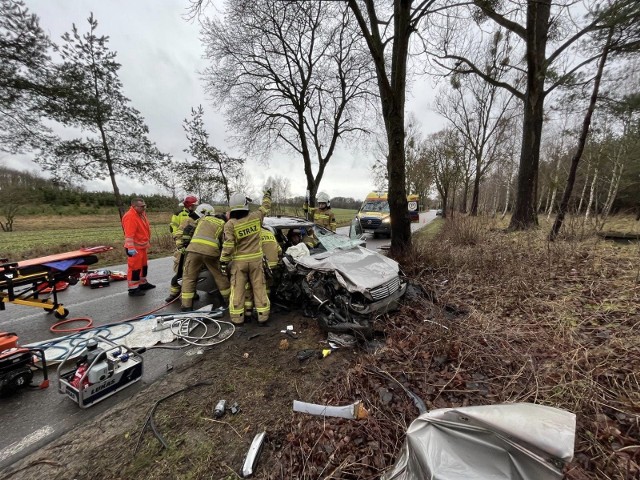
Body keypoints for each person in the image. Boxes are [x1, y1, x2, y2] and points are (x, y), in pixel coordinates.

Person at [220, 189, 271, 325]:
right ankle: (263, 316)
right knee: (259, 288)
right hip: (256, 261)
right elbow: (265, 207)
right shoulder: (256, 217)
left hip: (239, 263)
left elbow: (229, 245)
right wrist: (267, 195)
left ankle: (238, 319)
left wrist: (224, 261)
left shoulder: (230, 224)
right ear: (245, 205)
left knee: (237, 289)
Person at [180, 204, 230, 312]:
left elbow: (189, 229)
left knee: (188, 278)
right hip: (211, 253)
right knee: (220, 276)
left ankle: (186, 307)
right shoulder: (223, 224)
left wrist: (185, 242)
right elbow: (225, 242)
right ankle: (228, 301)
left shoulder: (203, 219)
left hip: (193, 250)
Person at [244, 226, 282, 320]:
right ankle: (267, 306)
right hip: (272, 267)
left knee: (249, 287)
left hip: (261, 266)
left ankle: (248, 312)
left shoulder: (254, 235)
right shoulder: (271, 235)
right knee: (266, 287)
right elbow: (280, 251)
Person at [166, 195, 199, 302]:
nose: (194, 207)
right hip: (182, 245)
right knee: (180, 271)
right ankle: (174, 293)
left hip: (193, 245)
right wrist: (179, 243)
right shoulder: (179, 214)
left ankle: (192, 292)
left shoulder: (197, 215)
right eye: (193, 205)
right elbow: (174, 228)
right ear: (189, 205)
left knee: (192, 271)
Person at [122, 197, 154, 297]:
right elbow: (129, 235)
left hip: (142, 246)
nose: (144, 208)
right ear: (134, 206)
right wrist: (130, 248)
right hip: (134, 248)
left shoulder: (141, 214)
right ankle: (133, 289)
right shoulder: (131, 216)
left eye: (145, 206)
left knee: (143, 266)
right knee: (134, 268)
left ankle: (142, 283)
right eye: (142, 206)